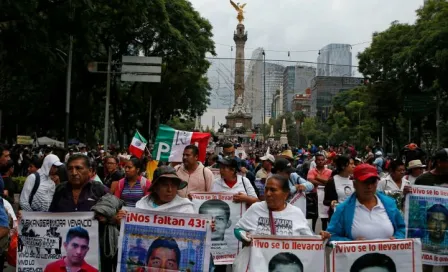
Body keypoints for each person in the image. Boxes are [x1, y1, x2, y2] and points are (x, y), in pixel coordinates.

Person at [234, 175, 330, 241]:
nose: (268, 194)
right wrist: (243, 236)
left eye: (273, 190)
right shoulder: (255, 209)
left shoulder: (296, 213)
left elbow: (309, 239)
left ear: (286, 193)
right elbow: (238, 228)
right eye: (266, 189)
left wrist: (320, 237)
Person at [327, 164, 405, 241]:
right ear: (354, 184)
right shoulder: (343, 209)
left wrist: (397, 237)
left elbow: (402, 228)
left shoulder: (389, 204)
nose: (369, 186)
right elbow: (332, 235)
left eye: (373, 182)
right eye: (365, 182)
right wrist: (350, 243)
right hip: (357, 254)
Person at [307, 153, 332, 231]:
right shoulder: (311, 171)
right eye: (319, 160)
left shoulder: (329, 171)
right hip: (314, 196)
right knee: (313, 217)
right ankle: (312, 235)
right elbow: (311, 181)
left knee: (324, 218)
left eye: (322, 160)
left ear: (324, 161)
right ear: (315, 161)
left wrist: (317, 178)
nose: (320, 161)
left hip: (325, 196)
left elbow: (330, 182)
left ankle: (323, 236)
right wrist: (325, 182)